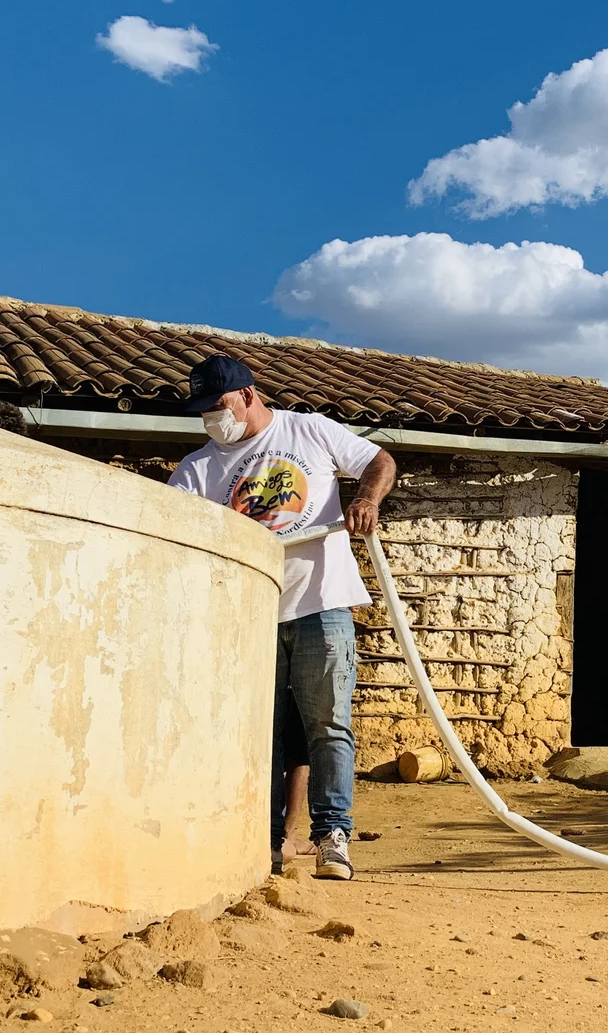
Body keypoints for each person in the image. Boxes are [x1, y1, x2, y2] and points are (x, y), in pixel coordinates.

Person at [168, 354, 396, 880]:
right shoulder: (198, 469)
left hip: (320, 603)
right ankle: (267, 840)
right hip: (250, 615)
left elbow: (379, 461)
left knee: (328, 724)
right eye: (202, 411)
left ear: (249, 395)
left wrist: (366, 498)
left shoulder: (309, 431)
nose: (211, 419)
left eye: (218, 406)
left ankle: (333, 835)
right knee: (259, 730)